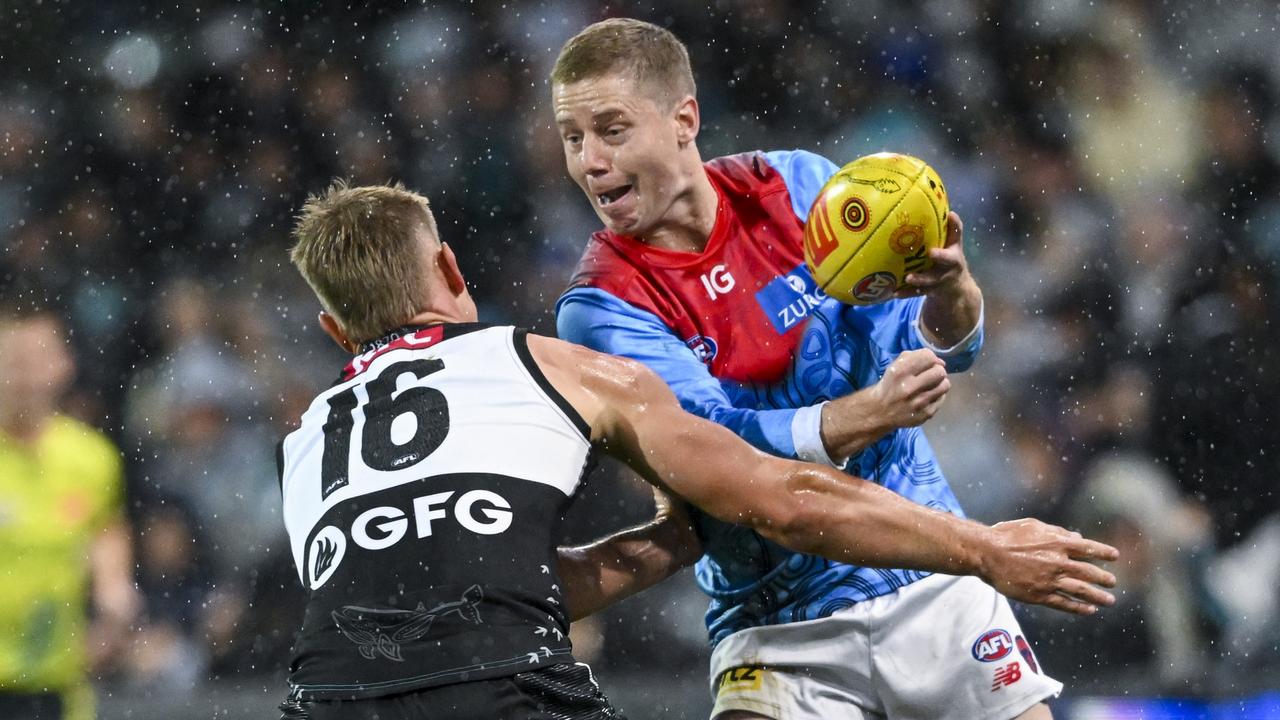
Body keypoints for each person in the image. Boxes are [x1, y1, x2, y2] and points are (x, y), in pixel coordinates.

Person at [276, 181, 1117, 720]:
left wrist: (664, 546)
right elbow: (783, 501)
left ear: (333, 330)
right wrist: (982, 548)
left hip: (327, 700)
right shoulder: (552, 361)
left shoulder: (305, 442)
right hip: (505, 696)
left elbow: (458, 605)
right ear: (451, 268)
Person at [551, 18, 1078, 720]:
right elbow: (716, 452)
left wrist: (952, 293)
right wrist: (867, 412)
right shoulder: (599, 305)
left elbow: (938, 356)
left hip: (926, 567)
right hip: (773, 624)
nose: (590, 160)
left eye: (611, 130)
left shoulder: (800, 188)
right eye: (572, 137)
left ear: (684, 119)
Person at [0, 301, 139, 720]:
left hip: (58, 687)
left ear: (63, 365)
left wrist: (114, 591)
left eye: (37, 358)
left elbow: (106, 530)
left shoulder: (91, 457)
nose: (25, 376)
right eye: (13, 360)